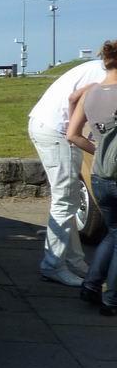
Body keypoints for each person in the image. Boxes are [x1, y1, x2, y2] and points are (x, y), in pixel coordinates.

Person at [29, 56, 107, 286]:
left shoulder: (100, 67)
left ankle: (75, 261)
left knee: (69, 199)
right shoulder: (106, 75)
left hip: (50, 126)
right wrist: (74, 133)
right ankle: (52, 265)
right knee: (64, 201)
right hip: (55, 130)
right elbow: (75, 99)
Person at [66, 42, 117, 315]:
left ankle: (91, 285)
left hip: (99, 175)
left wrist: (100, 151)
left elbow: (72, 135)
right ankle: (111, 300)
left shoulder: (91, 93)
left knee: (113, 232)